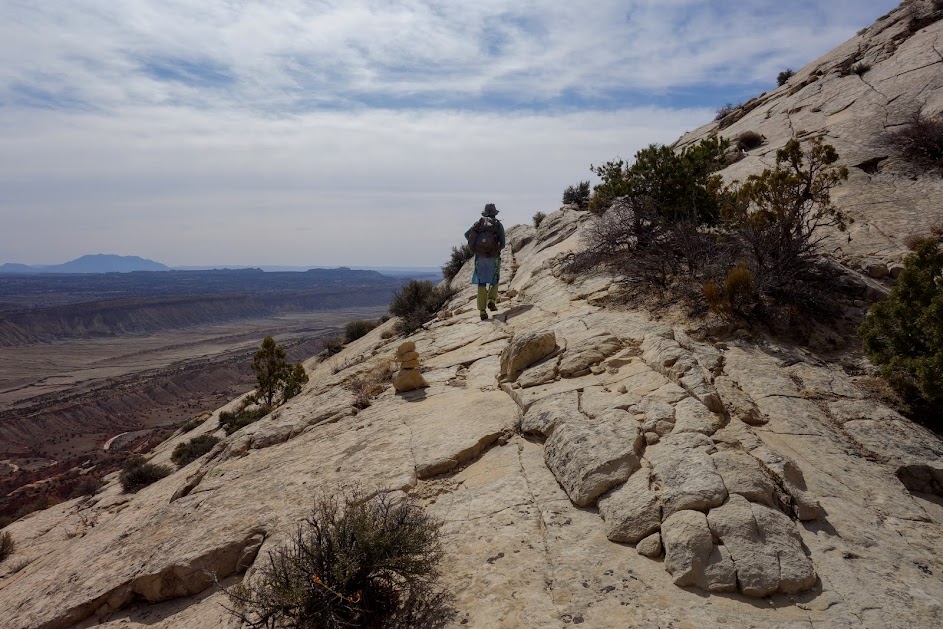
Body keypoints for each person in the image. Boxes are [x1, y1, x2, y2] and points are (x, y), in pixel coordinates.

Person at [464, 203, 506, 320]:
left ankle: (482, 311)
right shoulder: (498, 225)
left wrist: (478, 244)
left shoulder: (479, 223)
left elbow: (466, 235)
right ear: (495, 213)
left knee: (481, 282)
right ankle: (491, 300)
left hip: (480, 257)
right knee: (494, 278)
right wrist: (494, 247)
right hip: (493, 256)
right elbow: (503, 244)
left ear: (485, 213)